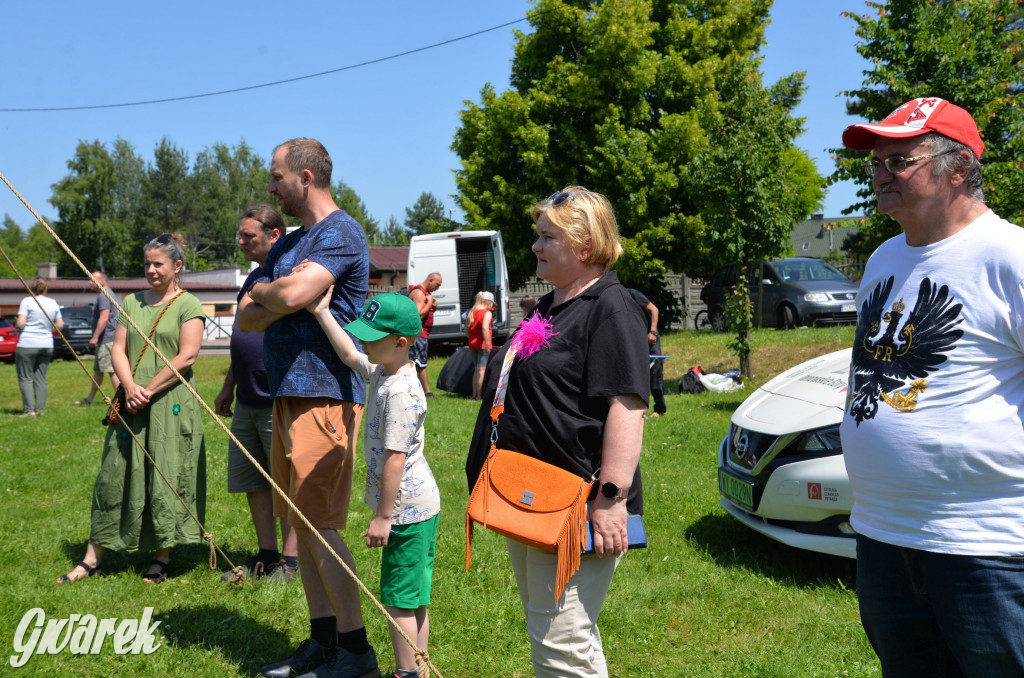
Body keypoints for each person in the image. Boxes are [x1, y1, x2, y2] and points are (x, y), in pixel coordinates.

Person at [839, 97, 1024, 676]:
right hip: (882, 534)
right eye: (875, 163)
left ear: (960, 169)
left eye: (898, 161)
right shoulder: (884, 257)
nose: (878, 176)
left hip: (986, 547)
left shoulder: (1009, 256)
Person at [465, 186, 648, 677]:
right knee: (563, 636)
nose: (535, 247)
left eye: (547, 237)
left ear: (584, 246)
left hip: (577, 503)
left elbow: (627, 407)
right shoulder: (551, 305)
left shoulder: (612, 306)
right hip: (529, 495)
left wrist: (611, 499)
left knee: (560, 644)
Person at [237, 138, 379, 678]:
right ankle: (323, 642)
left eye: (276, 177)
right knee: (301, 522)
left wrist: (277, 293)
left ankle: (356, 651)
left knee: (320, 526)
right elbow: (248, 314)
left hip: (325, 395)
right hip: (287, 394)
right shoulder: (294, 242)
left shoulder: (341, 233)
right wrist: (280, 290)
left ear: (305, 177)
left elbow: (292, 299)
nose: (270, 187)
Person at [56, 233, 207, 584]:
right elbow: (119, 349)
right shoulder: (131, 302)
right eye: (147, 264)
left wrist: (149, 390)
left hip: (170, 402)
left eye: (159, 264)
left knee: (167, 475)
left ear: (177, 266)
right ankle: (92, 559)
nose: (152, 270)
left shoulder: (189, 305)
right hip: (132, 400)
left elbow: (187, 355)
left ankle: (161, 557)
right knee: (113, 475)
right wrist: (130, 387)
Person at [310, 291, 439, 678]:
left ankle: (406, 672)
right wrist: (321, 313)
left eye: (371, 335)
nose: (363, 340)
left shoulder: (399, 392)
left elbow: (395, 458)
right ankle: (418, 667)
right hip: (416, 506)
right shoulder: (388, 369)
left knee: (399, 600)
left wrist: (385, 517)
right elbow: (351, 356)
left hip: (405, 510)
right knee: (412, 596)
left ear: (399, 342)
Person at [214, 205, 299, 584]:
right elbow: (243, 336)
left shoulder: (290, 275)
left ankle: (291, 560)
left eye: (249, 236)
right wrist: (228, 387)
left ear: (274, 235)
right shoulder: (254, 278)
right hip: (247, 399)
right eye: (241, 234)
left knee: (287, 481)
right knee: (253, 479)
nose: (241, 242)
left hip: (278, 397)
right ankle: (266, 555)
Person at [14, 276, 63, 417]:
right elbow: (59, 325)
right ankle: (40, 410)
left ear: (32, 288)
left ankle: (29, 411)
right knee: (41, 377)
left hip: (28, 343)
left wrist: (19, 321)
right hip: (46, 344)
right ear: (46, 288)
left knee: (26, 378)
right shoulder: (53, 303)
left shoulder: (27, 301)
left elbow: (21, 324)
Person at [75, 271, 122, 406]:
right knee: (99, 370)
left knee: (111, 371)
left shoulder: (103, 296)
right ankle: (90, 399)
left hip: (107, 339)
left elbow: (104, 317)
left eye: (92, 280)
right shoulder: (107, 293)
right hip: (107, 339)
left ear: (102, 281)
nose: (89, 282)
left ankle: (121, 401)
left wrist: (95, 337)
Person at [626, 288, 667, 417]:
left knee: (655, 371)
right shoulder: (614, 302)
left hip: (651, 336)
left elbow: (654, 309)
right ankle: (636, 407)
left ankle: (659, 409)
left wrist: (652, 332)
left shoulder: (632, 294)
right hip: (636, 339)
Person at [407, 273, 441, 398]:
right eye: (437, 285)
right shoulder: (419, 293)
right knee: (419, 363)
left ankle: (420, 389)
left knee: (418, 362)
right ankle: (427, 392)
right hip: (418, 333)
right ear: (431, 280)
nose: (437, 288)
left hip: (422, 334)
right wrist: (430, 302)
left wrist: (433, 307)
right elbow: (418, 315)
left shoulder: (424, 293)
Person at [465, 290, 496, 400]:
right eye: (492, 304)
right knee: (481, 370)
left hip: (472, 344)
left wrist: (471, 338)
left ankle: (474, 394)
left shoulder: (472, 312)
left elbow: (466, 329)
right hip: (483, 344)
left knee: (476, 369)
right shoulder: (487, 313)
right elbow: (485, 328)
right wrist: (487, 344)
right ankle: (479, 396)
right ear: (488, 302)